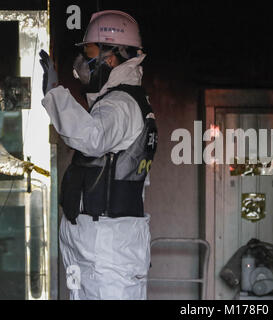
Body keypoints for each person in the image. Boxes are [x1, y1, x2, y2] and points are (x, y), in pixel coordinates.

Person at [39, 10, 158, 300]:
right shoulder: (123, 101)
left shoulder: (120, 104)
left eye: (91, 52)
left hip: (107, 249)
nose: (83, 62)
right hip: (103, 248)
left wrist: (55, 93)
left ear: (112, 56)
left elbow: (92, 139)